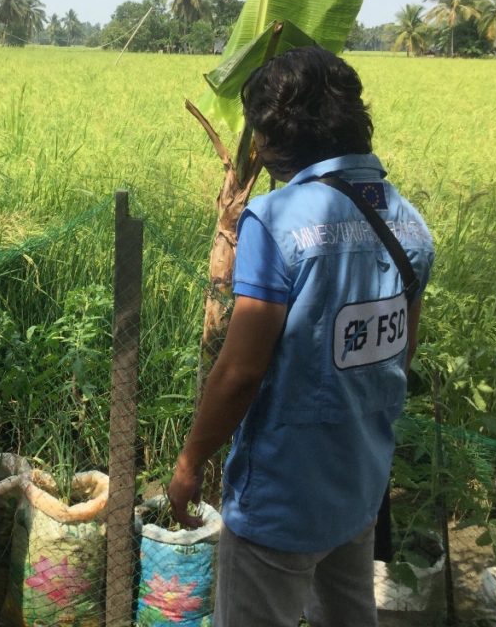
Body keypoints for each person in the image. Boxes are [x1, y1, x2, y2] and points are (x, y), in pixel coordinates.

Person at [167, 46, 434, 626]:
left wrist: (190, 463)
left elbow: (240, 373)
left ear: (278, 135)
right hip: (360, 485)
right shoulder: (409, 221)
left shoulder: (276, 220)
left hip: (281, 497)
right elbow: (400, 354)